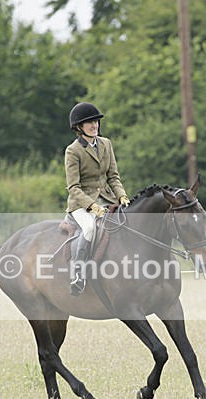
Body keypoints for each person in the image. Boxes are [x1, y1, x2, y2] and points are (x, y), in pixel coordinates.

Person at [65, 102, 130, 296]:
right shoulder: (73, 151)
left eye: (95, 121)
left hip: (107, 198)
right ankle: (78, 274)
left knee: (127, 222)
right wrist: (92, 206)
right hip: (81, 204)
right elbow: (73, 187)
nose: (94, 126)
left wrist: (122, 196)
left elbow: (113, 177)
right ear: (79, 127)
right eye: (89, 123)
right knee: (90, 228)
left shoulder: (106, 144)